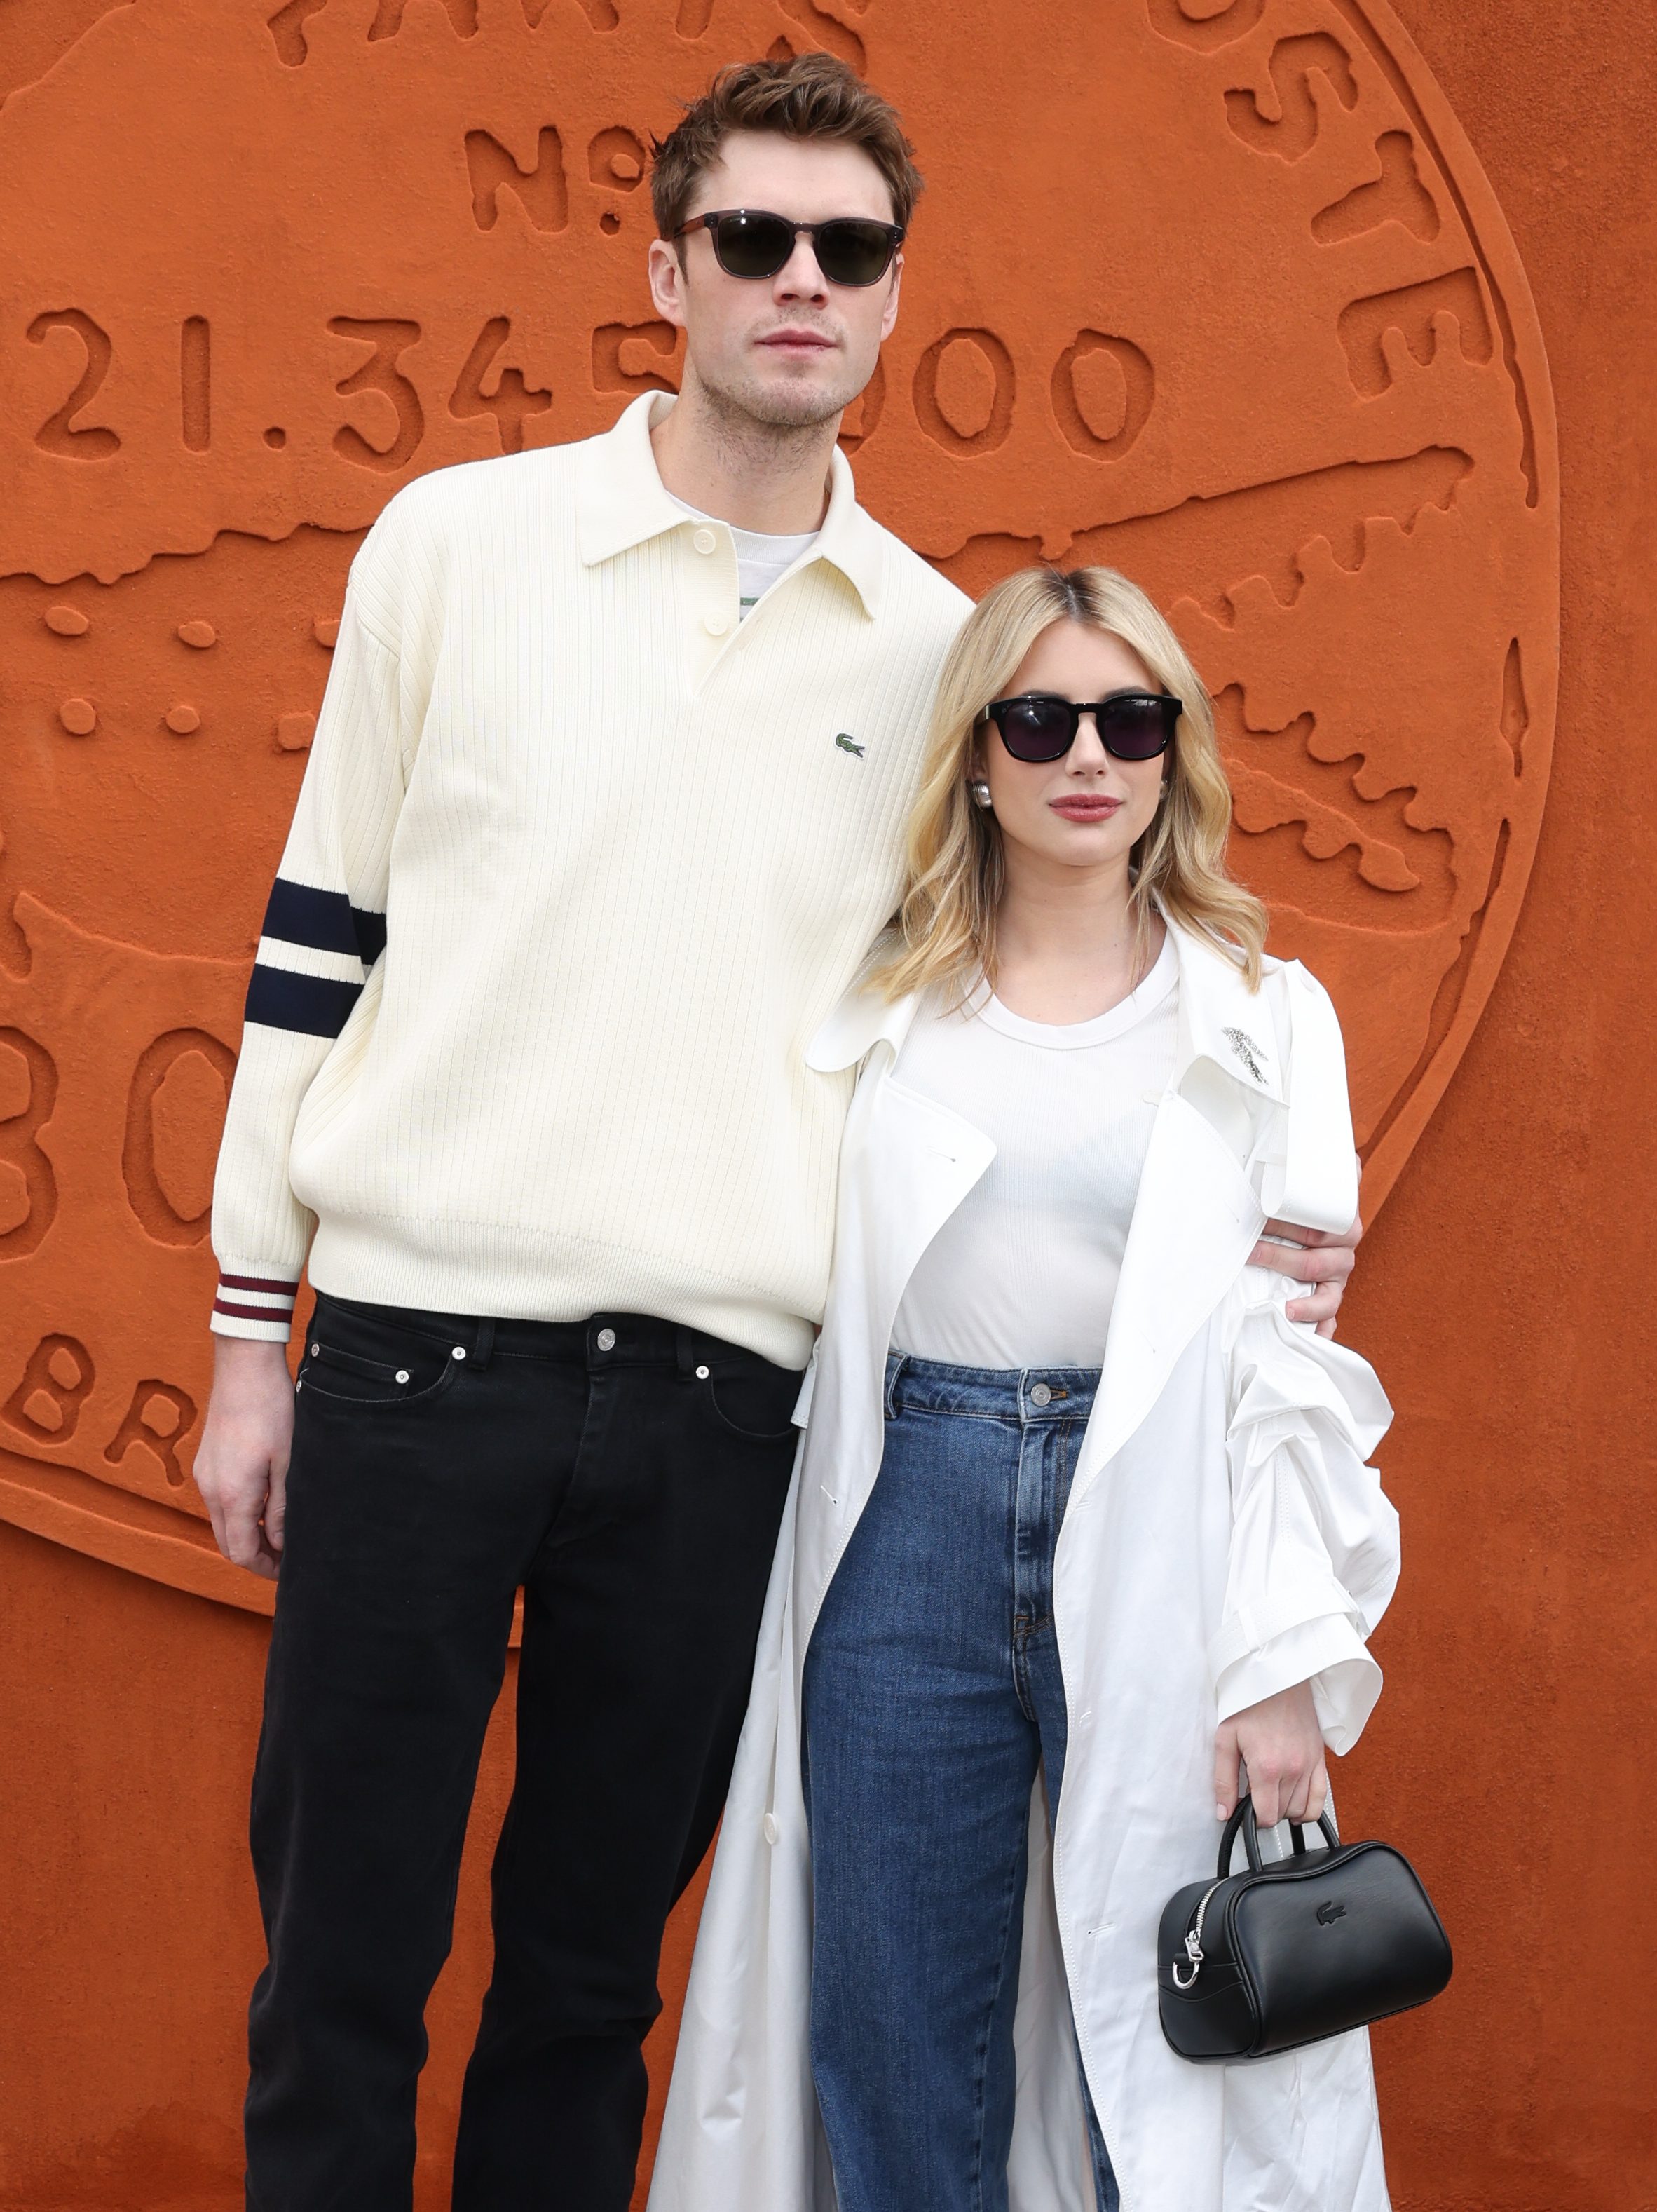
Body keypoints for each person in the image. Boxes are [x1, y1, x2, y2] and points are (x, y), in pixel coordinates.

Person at [193, 53, 1361, 2212]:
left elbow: (1026, 977)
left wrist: (1253, 1194)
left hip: (728, 1412)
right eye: (755, 240)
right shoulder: (455, 541)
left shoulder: (940, 654)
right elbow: (310, 939)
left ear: (895, 301)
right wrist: (251, 1335)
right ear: (668, 270)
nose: (800, 281)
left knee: (583, 1984)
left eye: (850, 250)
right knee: (343, 1958)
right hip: (416, 1357)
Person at [651, 565, 1398, 2212]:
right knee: (892, 2014)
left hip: (1161, 1526)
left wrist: (1278, 1663)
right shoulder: (871, 1005)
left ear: (1173, 751)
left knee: (1172, 2007)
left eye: (1131, 720)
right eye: (1041, 717)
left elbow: (1294, 1371)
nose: (1089, 757)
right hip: (908, 1509)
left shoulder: (1271, 1021)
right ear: (978, 752)